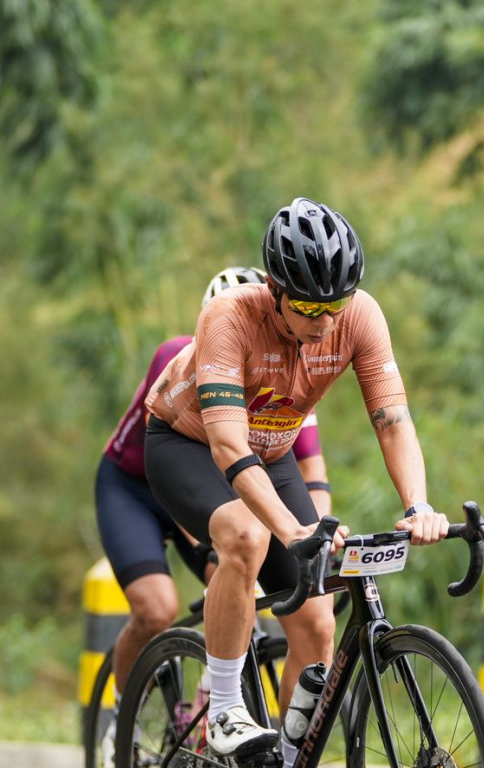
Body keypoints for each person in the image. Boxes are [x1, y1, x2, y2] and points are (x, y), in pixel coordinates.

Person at [143, 197, 452, 768]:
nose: (323, 323)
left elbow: (392, 421)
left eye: (333, 307)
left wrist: (419, 504)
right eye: (307, 307)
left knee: (315, 621)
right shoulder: (230, 316)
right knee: (246, 537)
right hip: (188, 445)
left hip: (273, 451)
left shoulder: (360, 317)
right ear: (273, 290)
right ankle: (225, 710)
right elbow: (228, 446)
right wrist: (294, 530)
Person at [95, 266, 331, 702]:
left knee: (240, 578)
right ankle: (123, 721)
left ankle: (213, 696)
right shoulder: (176, 355)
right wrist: (217, 551)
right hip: (138, 487)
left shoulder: (286, 371)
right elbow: (174, 470)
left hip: (218, 480)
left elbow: (313, 472)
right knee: (156, 609)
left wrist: (316, 536)